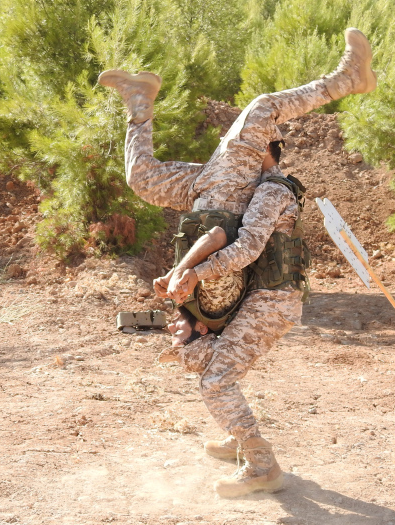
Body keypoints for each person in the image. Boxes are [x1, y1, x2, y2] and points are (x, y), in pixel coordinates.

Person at [99, 28, 376, 497]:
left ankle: (347, 79)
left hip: (266, 289)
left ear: (264, 150)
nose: (240, 140)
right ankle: (139, 106)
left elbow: (234, 243)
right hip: (224, 220)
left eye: (253, 141)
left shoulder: (269, 187)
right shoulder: (250, 184)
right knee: (142, 177)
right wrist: (191, 294)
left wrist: (190, 274)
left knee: (264, 104)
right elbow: (228, 241)